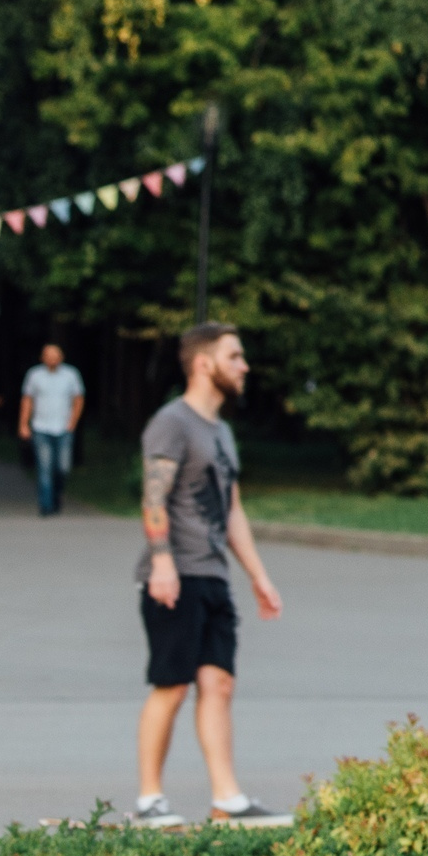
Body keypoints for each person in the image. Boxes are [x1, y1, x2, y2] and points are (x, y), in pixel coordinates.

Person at [132, 323, 289, 828]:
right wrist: (162, 562)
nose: (244, 366)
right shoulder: (171, 422)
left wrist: (258, 576)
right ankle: (149, 799)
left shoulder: (220, 431)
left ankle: (228, 799)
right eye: (235, 356)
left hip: (214, 574)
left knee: (218, 684)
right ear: (205, 363)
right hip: (175, 575)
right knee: (172, 685)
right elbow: (154, 495)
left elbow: (233, 510)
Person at [18, 343, 85, 516]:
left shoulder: (71, 375)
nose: (52, 359)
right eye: (48, 355)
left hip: (64, 428)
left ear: (61, 357)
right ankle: (46, 505)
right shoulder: (34, 375)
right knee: (44, 467)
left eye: (55, 355)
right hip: (41, 427)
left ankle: (57, 495)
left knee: (62, 467)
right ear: (42, 358)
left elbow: (78, 399)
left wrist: (73, 422)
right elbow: (27, 400)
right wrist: (23, 424)